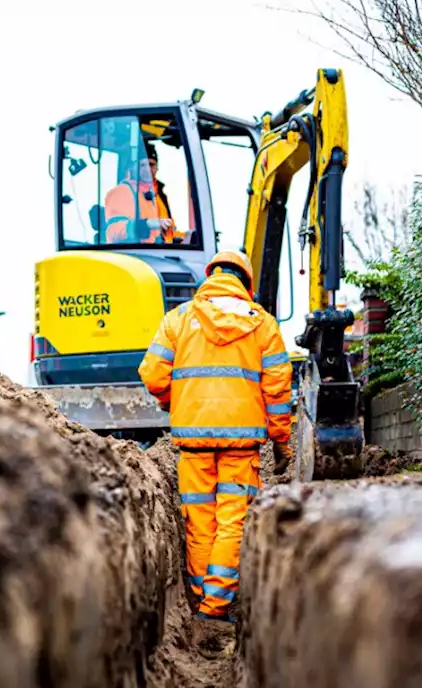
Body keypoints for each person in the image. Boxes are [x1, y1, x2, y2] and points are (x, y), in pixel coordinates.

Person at [137, 249, 293, 656]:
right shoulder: (263, 325)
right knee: (232, 523)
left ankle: (203, 603)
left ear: (211, 276)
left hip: (192, 439)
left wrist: (180, 398)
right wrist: (282, 441)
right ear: (245, 281)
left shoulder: (178, 319)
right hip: (242, 443)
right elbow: (277, 391)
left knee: (199, 522)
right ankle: (215, 607)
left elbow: (152, 374)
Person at [102, 144, 181, 244]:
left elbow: (168, 234)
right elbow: (113, 231)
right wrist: (146, 224)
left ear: (157, 167)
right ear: (132, 167)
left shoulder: (159, 195)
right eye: (142, 165)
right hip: (135, 256)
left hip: (161, 255)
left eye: (151, 165)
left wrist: (185, 237)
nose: (148, 169)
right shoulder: (121, 192)